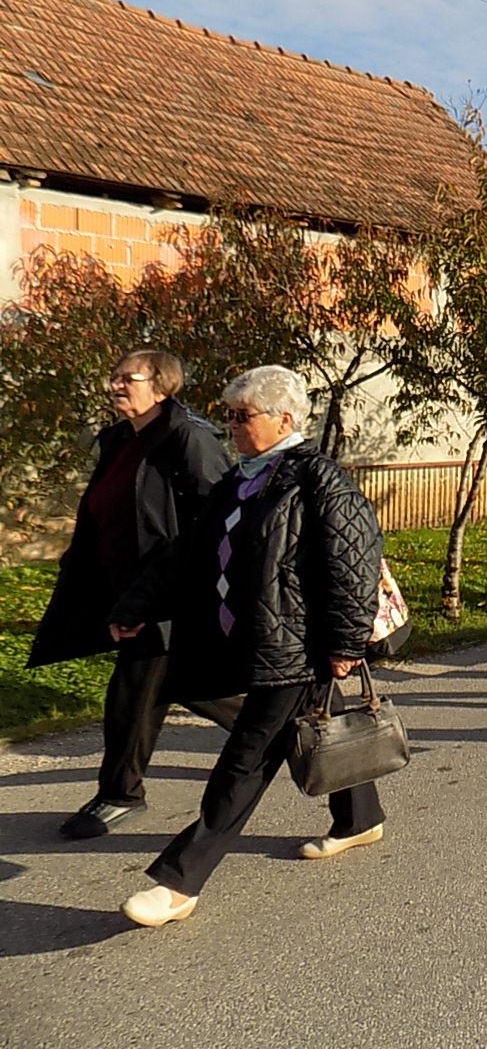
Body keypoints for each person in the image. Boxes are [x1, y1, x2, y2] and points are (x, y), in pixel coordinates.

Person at [108, 366, 386, 927]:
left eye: (242, 416)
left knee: (248, 758)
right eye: (229, 415)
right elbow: (191, 552)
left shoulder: (318, 478)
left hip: (299, 645)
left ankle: (179, 882)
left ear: (284, 419)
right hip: (258, 638)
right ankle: (359, 819)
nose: (231, 426)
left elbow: (354, 562)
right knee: (315, 730)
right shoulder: (243, 479)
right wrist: (136, 605)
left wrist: (344, 643)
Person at [29, 348, 234, 840]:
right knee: (192, 690)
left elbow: (214, 523)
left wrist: (154, 597)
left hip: (169, 593)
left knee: (136, 691)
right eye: (114, 376)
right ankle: (303, 735)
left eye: (128, 378)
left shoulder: (188, 437)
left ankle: (120, 795)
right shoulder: (121, 439)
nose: (115, 385)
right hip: (125, 590)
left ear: (161, 386)